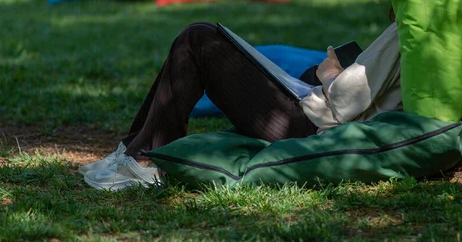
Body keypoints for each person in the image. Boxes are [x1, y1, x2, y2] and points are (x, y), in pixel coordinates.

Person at [80, 20, 401, 191]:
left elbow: (346, 100)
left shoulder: (405, 32)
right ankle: (133, 148)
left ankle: (146, 162)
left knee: (199, 40)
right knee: (203, 38)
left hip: (309, 124)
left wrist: (329, 71)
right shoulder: (414, 31)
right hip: (309, 106)